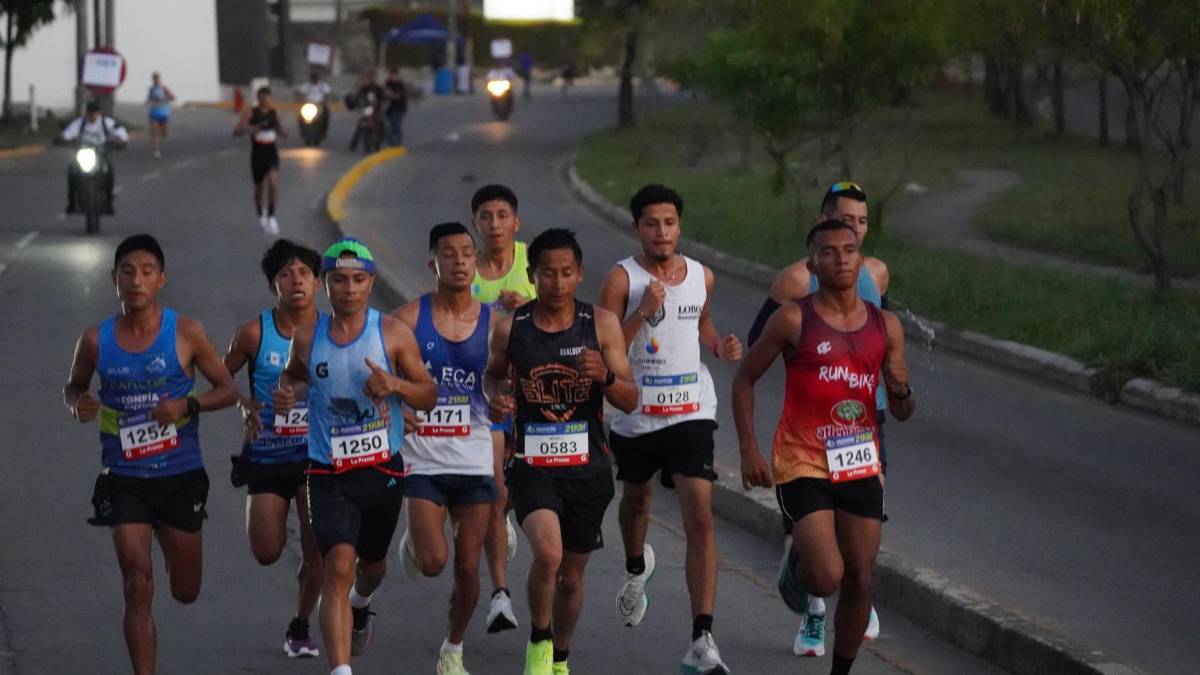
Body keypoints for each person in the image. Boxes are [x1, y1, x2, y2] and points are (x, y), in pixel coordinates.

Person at [732, 220, 915, 675]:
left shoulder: (886, 325)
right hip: (802, 460)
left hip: (859, 459)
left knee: (862, 577)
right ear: (812, 265)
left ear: (861, 259)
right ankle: (801, 560)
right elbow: (745, 378)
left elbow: (902, 409)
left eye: (849, 250)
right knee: (826, 576)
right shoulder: (793, 319)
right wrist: (749, 448)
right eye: (828, 252)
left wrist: (901, 391)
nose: (840, 259)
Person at [62, 234, 238, 675]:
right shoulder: (95, 340)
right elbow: (74, 387)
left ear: (161, 279)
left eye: (146, 272)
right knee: (136, 581)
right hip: (124, 475)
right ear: (114, 280)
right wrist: (79, 403)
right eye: (127, 272)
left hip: (179, 474)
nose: (136, 281)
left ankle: (165, 532)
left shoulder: (186, 332)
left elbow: (227, 389)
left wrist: (187, 405)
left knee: (185, 590)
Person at [273, 237, 437, 675]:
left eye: (358, 280)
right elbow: (293, 377)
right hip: (327, 470)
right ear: (325, 284)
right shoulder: (307, 337)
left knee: (372, 567)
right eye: (339, 280)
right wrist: (288, 393)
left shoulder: (392, 333)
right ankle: (341, 669)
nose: (349, 289)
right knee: (338, 565)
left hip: (381, 470)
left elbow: (428, 395)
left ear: (371, 283)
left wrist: (395, 385)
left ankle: (361, 604)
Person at [596, 184, 741, 674]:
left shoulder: (702, 275)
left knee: (700, 513)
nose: (662, 232)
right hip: (636, 414)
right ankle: (637, 567)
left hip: (690, 412)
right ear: (637, 227)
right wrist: (642, 310)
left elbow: (702, 323)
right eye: (652, 223)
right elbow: (605, 349)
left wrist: (719, 345)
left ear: (680, 225)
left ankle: (702, 637)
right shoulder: (622, 278)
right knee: (636, 502)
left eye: (670, 222)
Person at [484, 228, 638, 675]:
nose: (557, 282)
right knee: (548, 555)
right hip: (532, 466)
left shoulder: (601, 324)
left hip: (588, 467)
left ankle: (560, 657)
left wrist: (605, 377)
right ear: (532, 275)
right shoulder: (512, 327)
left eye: (566, 273)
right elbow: (493, 377)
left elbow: (631, 399)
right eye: (547, 274)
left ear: (580, 273)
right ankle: (539, 640)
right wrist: (498, 398)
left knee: (571, 577)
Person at [393, 223, 499, 675]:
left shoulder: (497, 324)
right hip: (422, 457)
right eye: (448, 253)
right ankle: (417, 541)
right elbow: (373, 373)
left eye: (466, 253)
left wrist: (506, 399)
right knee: (435, 563)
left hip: (474, 456)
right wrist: (396, 407)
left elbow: (507, 379)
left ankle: (452, 650)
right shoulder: (405, 320)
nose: (459, 261)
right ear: (432, 263)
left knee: (469, 567)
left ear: (476, 261)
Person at [223, 239, 325, 659]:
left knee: (319, 545)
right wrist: (243, 405)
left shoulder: (334, 331)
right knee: (266, 551)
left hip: (318, 455)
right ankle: (305, 574)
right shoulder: (254, 333)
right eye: (286, 274)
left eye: (304, 273)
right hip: (267, 453)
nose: (296, 280)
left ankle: (300, 625)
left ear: (317, 282)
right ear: (273, 285)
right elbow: (219, 377)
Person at [468, 183, 537, 634]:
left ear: (516, 222)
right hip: (484, 393)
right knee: (495, 486)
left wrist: (529, 306)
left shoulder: (534, 262)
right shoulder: (463, 267)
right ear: (475, 223)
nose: (494, 224)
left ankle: (506, 514)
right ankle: (500, 595)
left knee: (511, 488)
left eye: (502, 216)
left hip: (533, 393)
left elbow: (563, 315)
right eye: (485, 217)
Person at [233, 86, 286, 235]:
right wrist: (252, 129)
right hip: (257, 153)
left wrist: (282, 132)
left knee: (273, 182)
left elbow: (280, 128)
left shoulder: (275, 113)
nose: (267, 102)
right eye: (264, 99)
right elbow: (236, 132)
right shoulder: (250, 113)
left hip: (271, 152)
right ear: (259, 99)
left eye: (269, 99)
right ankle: (260, 213)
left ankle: (271, 215)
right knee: (259, 188)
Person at [61, 100, 128, 215]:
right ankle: (71, 202)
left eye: (94, 113)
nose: (92, 116)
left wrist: (120, 140)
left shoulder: (106, 122)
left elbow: (121, 133)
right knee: (71, 171)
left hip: (101, 154)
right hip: (83, 153)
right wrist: (64, 139)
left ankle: (109, 202)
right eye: (90, 113)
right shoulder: (80, 123)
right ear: (87, 113)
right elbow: (68, 133)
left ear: (99, 113)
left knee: (110, 171)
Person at [348, 71, 386, 153]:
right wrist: (356, 101)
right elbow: (358, 96)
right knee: (361, 124)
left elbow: (383, 97)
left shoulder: (378, 88)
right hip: (367, 108)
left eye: (373, 77)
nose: (371, 79)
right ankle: (353, 144)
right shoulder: (364, 88)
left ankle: (381, 138)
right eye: (370, 77)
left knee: (381, 122)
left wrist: (381, 102)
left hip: (376, 109)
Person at [145, 72, 175, 159]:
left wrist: (164, 99)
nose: (155, 80)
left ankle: (164, 134)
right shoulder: (151, 89)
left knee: (164, 133)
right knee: (154, 133)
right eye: (154, 79)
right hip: (153, 113)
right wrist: (147, 103)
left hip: (163, 113)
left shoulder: (164, 88)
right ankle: (156, 151)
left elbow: (173, 97)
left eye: (157, 78)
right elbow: (149, 99)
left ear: (159, 79)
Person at [296, 70, 333, 139]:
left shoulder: (323, 85)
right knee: (300, 116)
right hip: (308, 105)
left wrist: (324, 102)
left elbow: (327, 94)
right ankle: (302, 131)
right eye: (313, 78)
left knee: (327, 114)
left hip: (320, 104)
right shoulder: (307, 85)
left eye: (315, 78)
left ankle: (324, 131)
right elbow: (301, 92)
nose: (314, 80)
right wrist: (300, 99)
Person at [383, 67, 408, 147]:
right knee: (386, 124)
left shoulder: (400, 84)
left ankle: (398, 142)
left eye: (393, 75)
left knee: (395, 124)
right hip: (390, 107)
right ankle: (391, 141)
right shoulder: (388, 82)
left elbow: (398, 96)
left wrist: (390, 94)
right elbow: (384, 92)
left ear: (396, 75)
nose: (391, 76)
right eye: (390, 74)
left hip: (399, 108)